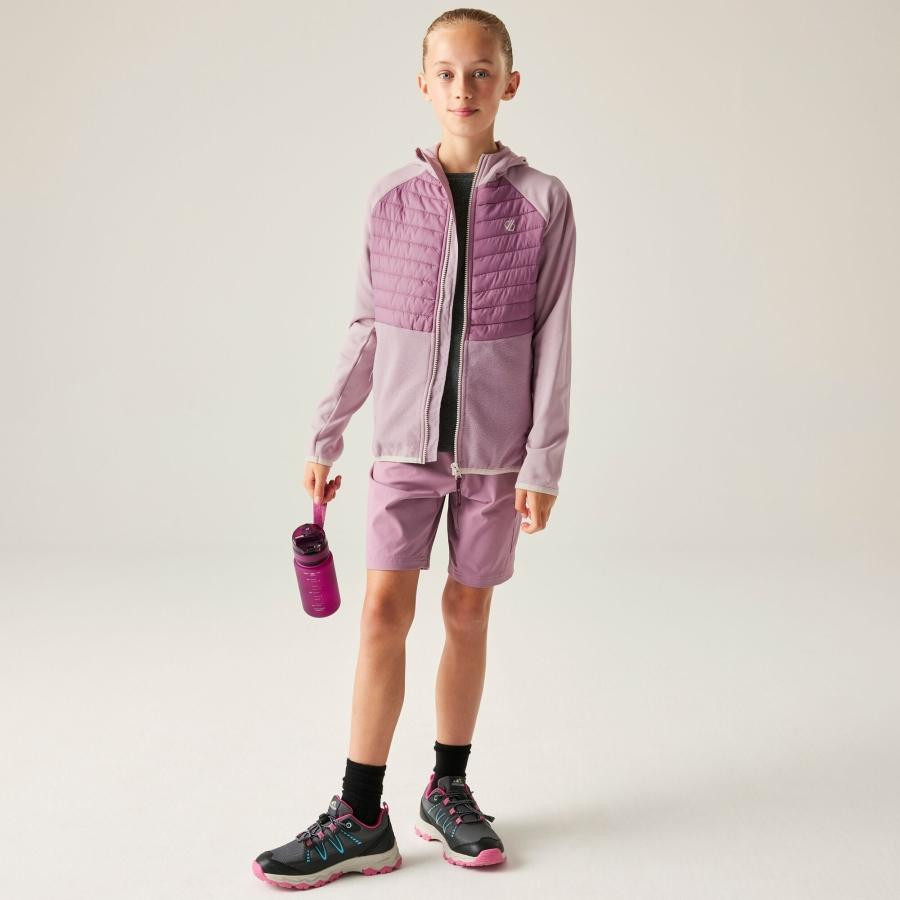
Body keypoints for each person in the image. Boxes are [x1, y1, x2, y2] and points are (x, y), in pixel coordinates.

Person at [253, 7, 576, 889]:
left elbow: (554, 338)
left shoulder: (544, 201)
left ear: (509, 83)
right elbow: (367, 326)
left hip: (495, 458)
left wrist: (543, 462)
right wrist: (327, 431)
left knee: (467, 615)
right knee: (381, 614)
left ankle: (448, 789)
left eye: (481, 72)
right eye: (447, 73)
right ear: (423, 84)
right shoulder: (390, 198)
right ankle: (361, 814)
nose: (464, 88)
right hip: (401, 447)